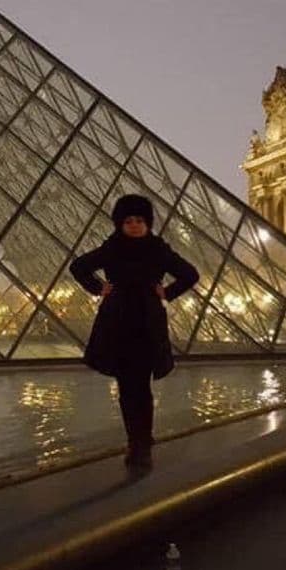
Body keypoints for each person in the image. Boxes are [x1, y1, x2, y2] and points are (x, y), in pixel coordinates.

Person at [70, 194, 199, 470]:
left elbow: (190, 273)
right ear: (120, 223)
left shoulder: (158, 249)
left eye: (140, 220)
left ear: (148, 222)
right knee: (129, 387)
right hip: (118, 322)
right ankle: (137, 442)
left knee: (140, 385)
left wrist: (167, 292)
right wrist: (97, 287)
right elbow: (78, 267)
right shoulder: (112, 247)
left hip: (146, 323)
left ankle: (141, 443)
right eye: (128, 221)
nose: (135, 225)